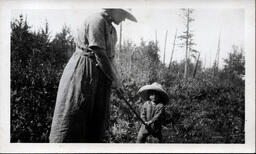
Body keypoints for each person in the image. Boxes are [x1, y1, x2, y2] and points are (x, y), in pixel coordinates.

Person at [49, 9, 137, 143]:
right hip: (82, 72)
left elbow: (110, 59)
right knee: (75, 115)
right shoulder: (96, 20)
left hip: (100, 76)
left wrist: (118, 80)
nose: (124, 19)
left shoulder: (112, 30)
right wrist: (114, 79)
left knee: (95, 124)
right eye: (123, 15)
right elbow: (99, 53)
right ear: (114, 9)